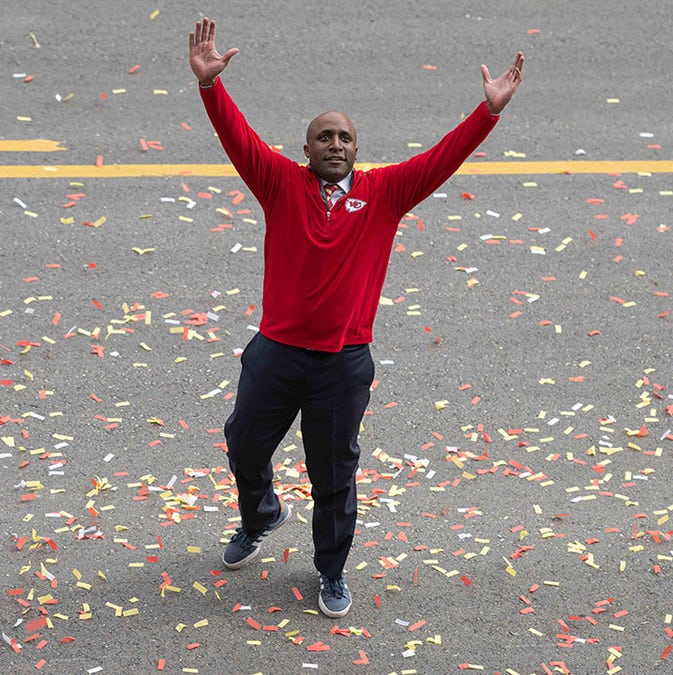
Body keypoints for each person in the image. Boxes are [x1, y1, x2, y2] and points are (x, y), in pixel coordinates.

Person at [188, 16, 523, 619]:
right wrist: (212, 88)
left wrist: (487, 113)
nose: (335, 145)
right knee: (243, 446)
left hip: (342, 366)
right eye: (324, 137)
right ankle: (261, 514)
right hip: (276, 353)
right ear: (307, 150)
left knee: (333, 476)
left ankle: (332, 570)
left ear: (357, 149)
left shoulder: (386, 193)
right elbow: (238, 139)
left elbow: (442, 159)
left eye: (344, 137)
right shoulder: (279, 184)